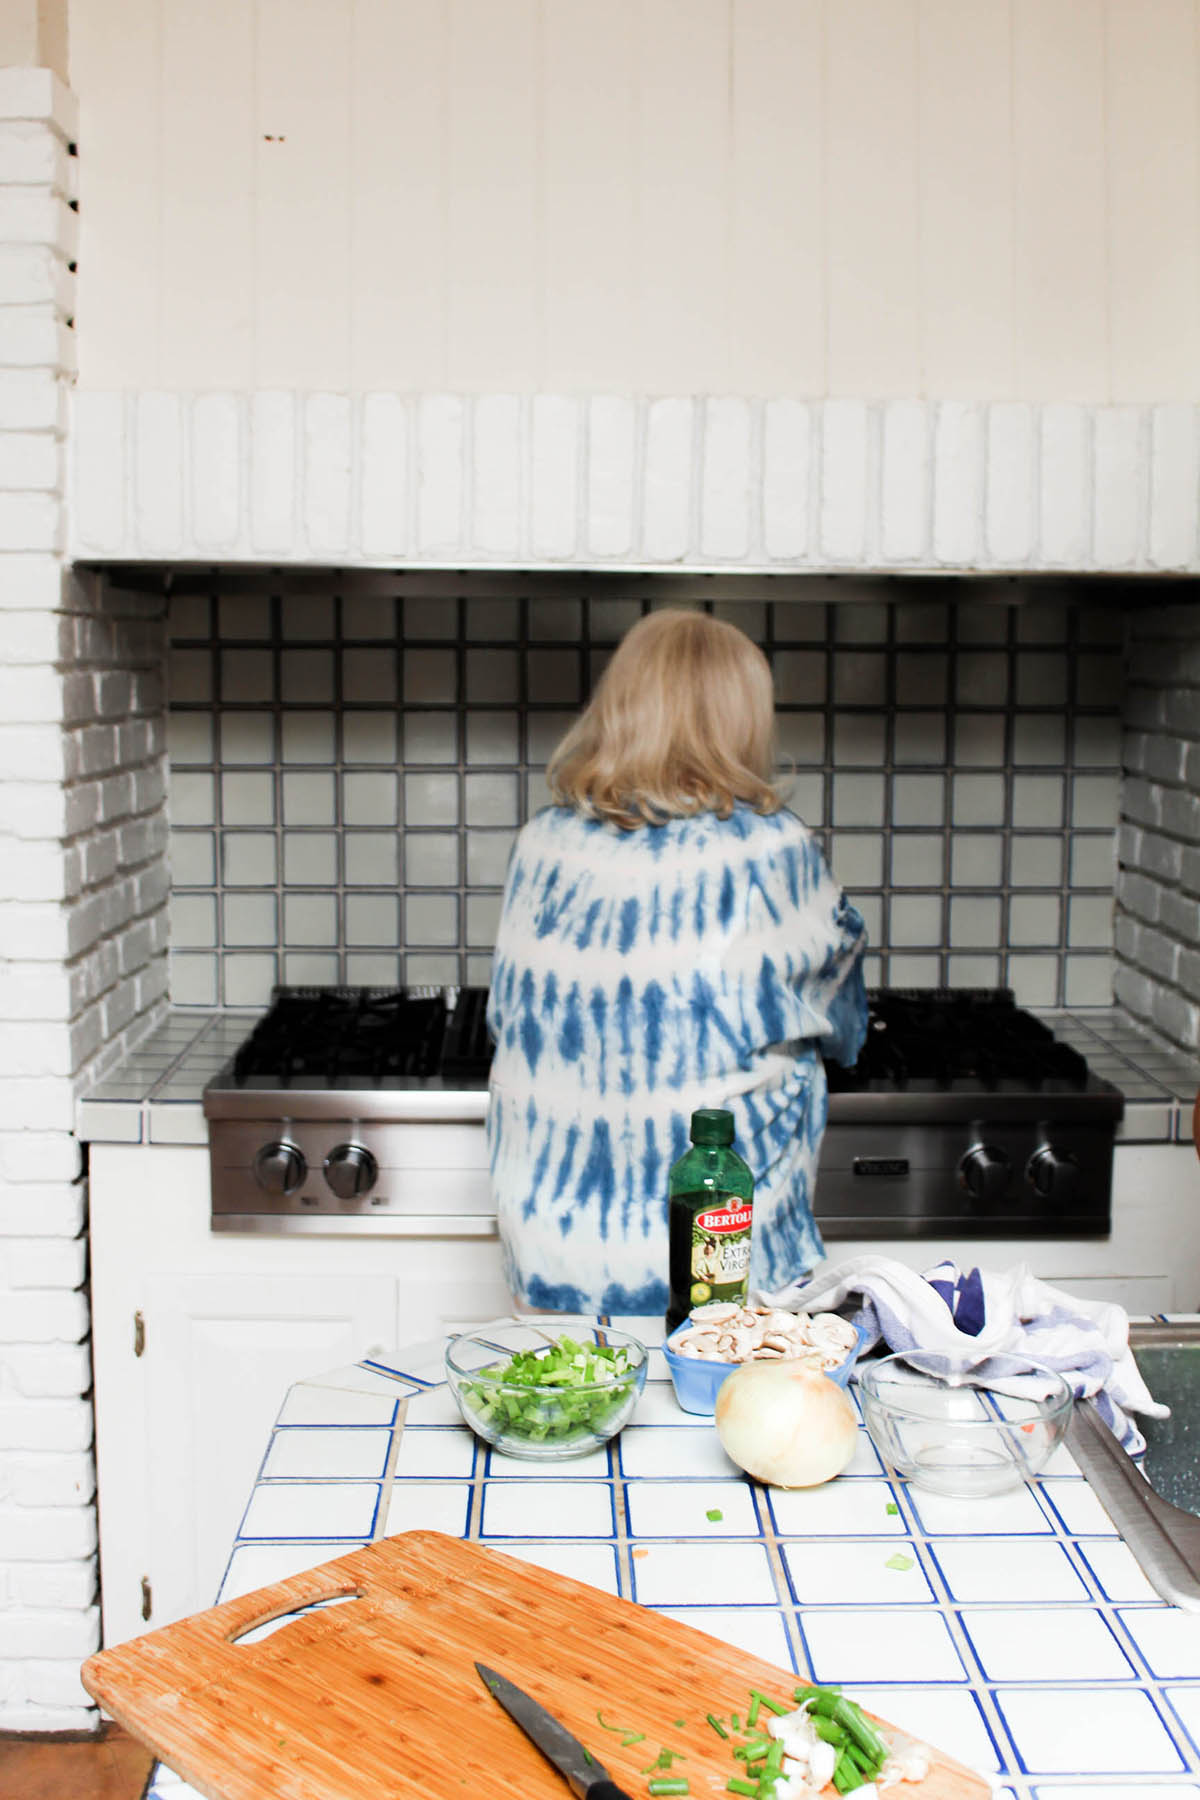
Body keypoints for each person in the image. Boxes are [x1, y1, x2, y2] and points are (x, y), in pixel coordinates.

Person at [485, 608, 868, 1315]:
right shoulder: (771, 848)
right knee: (718, 1421)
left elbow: (510, 1018)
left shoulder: (541, 843)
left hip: (549, 1245)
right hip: (713, 1251)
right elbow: (845, 1026)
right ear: (741, 720)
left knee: (574, 1413)